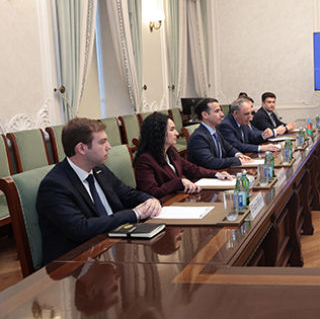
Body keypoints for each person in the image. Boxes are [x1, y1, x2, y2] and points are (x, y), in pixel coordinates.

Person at [37, 118, 161, 265]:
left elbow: (128, 194)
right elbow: (80, 229)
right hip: (76, 263)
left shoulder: (99, 169)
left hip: (113, 246)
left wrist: (149, 200)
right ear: (81, 148)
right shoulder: (54, 185)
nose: (109, 147)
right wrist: (135, 214)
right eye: (102, 142)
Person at [134, 113, 229, 199]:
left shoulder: (171, 151)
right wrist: (180, 182)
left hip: (177, 198)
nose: (176, 133)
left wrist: (216, 174)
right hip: (163, 205)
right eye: (172, 130)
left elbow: (192, 169)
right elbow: (151, 192)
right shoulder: (145, 160)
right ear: (158, 133)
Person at [187, 98, 252, 170]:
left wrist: (238, 155)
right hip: (205, 175)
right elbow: (211, 162)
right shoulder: (198, 137)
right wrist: (237, 160)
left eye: (221, 110)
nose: (222, 114)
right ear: (205, 115)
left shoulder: (215, 132)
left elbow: (228, 148)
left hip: (219, 172)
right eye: (217, 111)